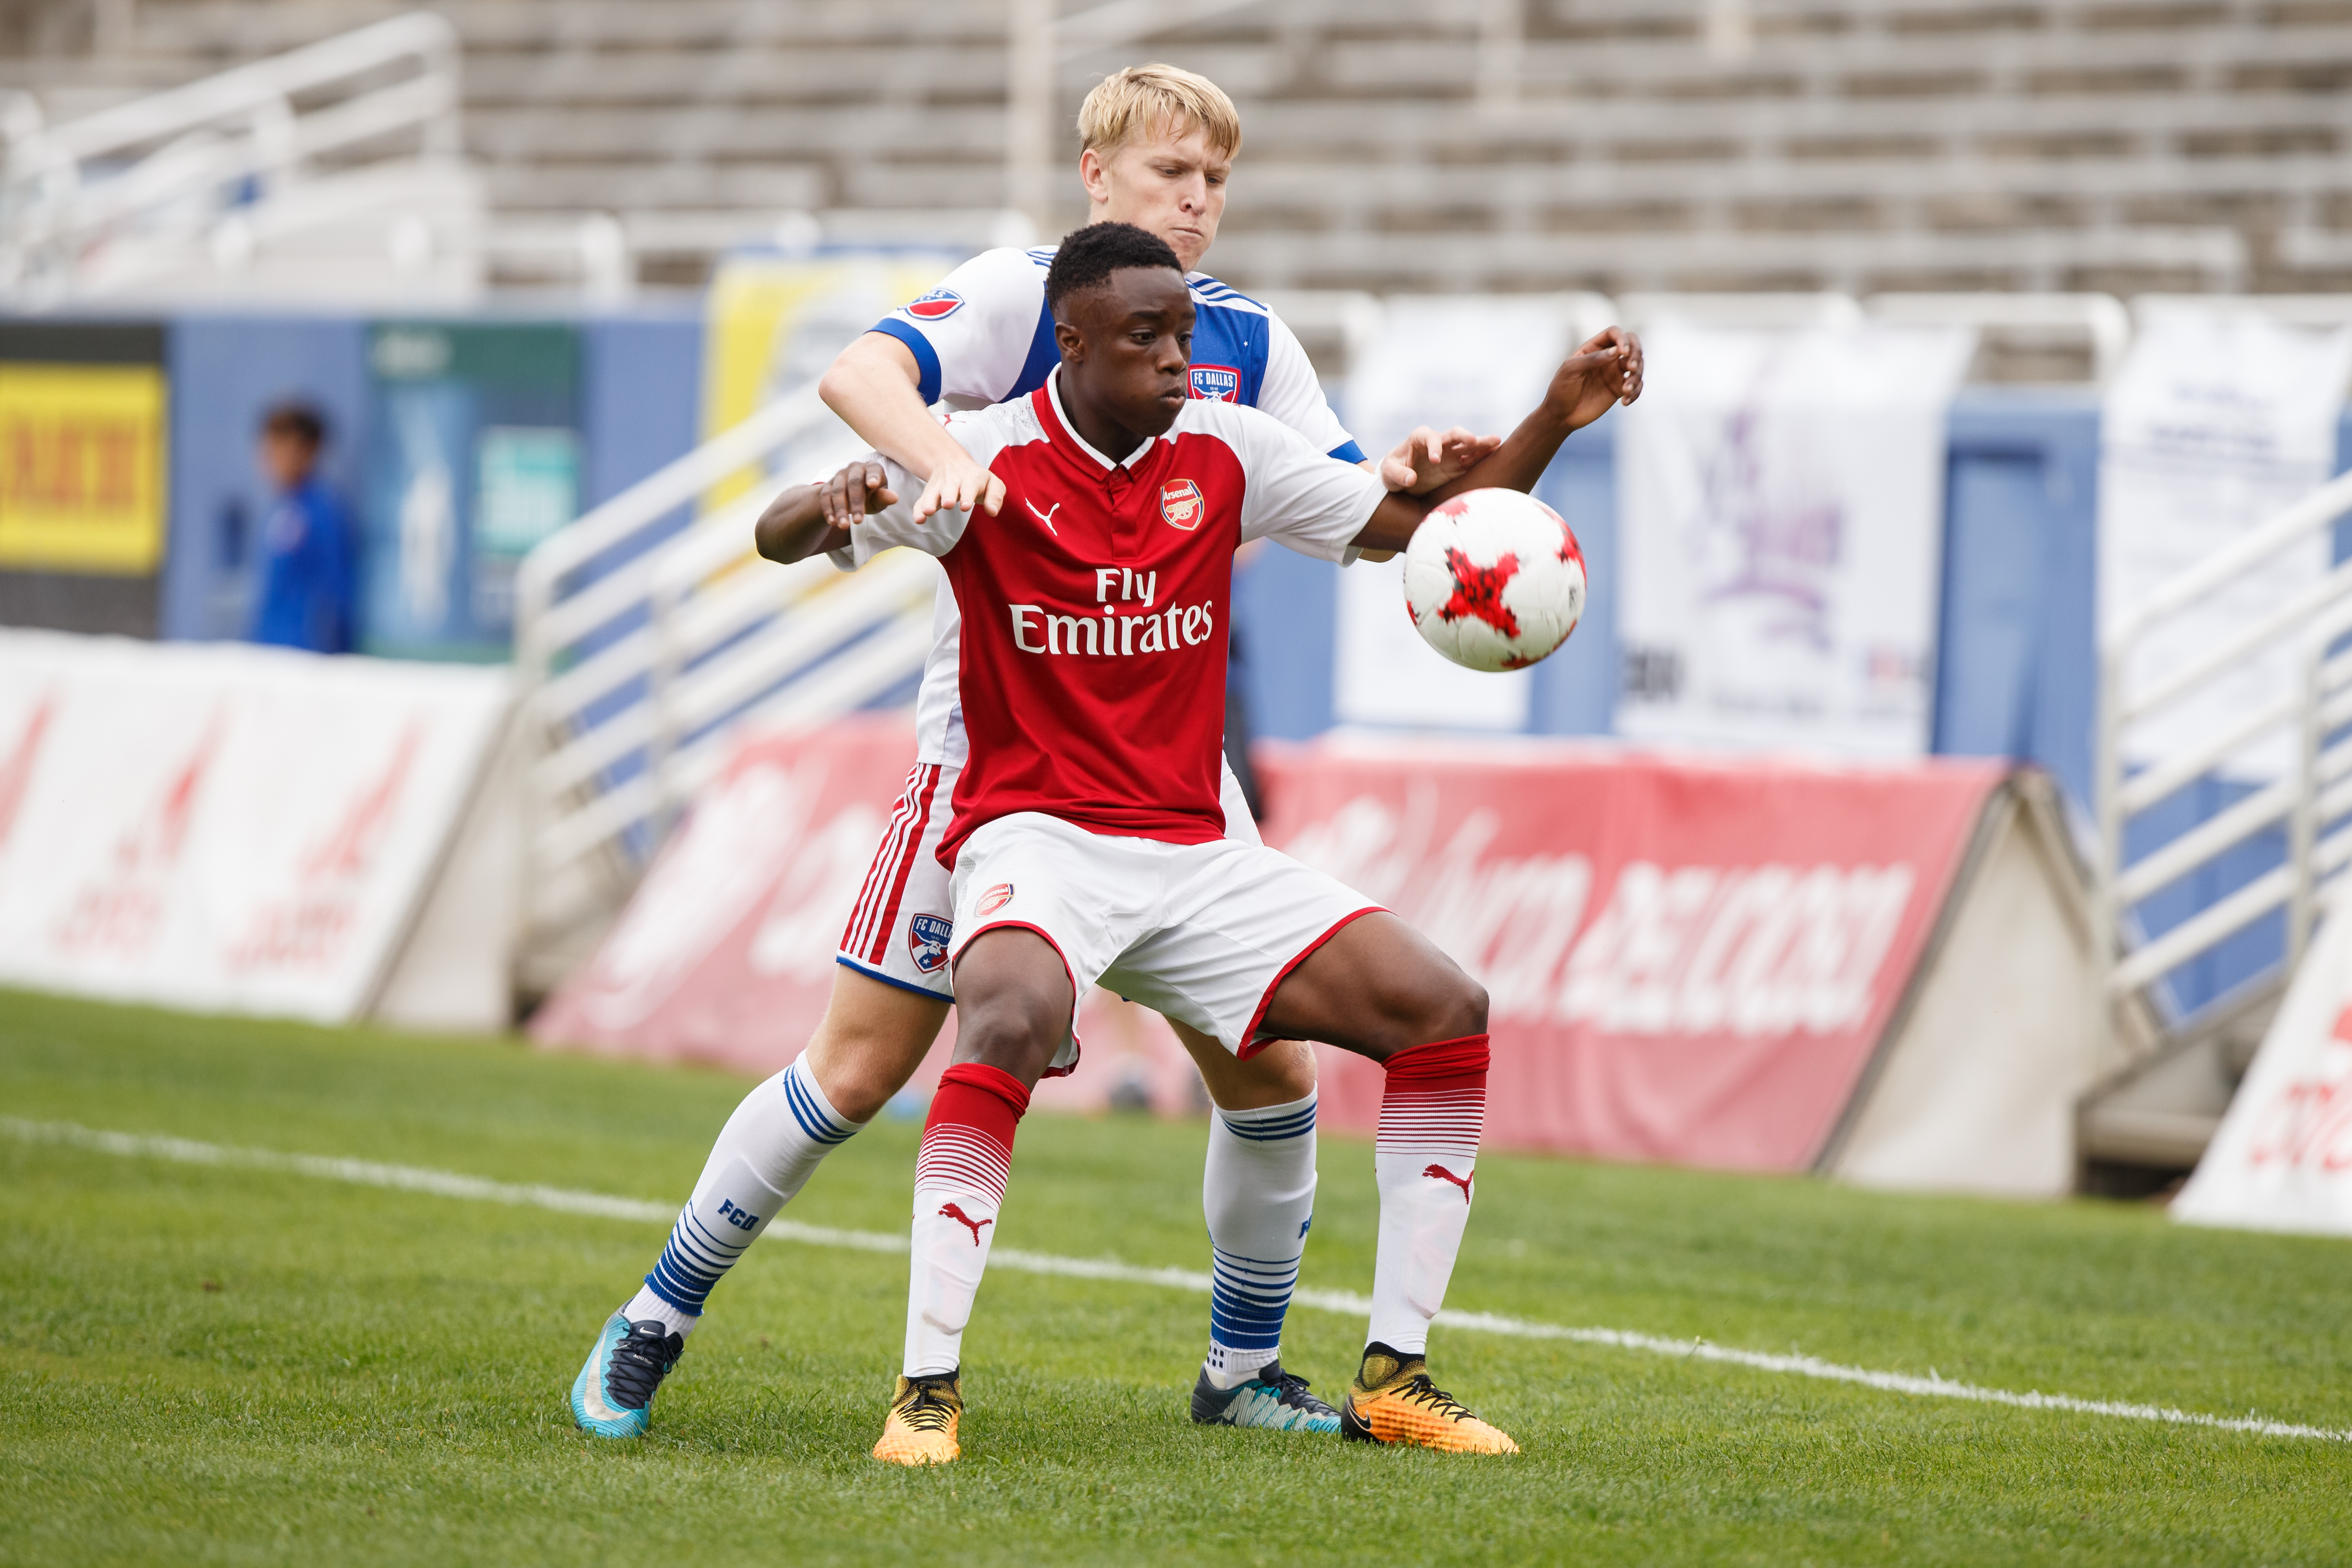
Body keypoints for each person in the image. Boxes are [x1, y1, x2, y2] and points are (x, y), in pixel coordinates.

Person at [567, 63, 1533, 1443]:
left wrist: (1428, 470)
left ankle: (1241, 1368)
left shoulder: (1241, 341)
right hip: (995, 766)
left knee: (1270, 1075)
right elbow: (863, 380)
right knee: (853, 1069)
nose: (1195, 204)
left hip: (1168, 777)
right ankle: (659, 1311)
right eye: (1166, 177)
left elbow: (1352, 497)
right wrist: (929, 469)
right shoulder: (1027, 298)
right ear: (1095, 177)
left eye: (1212, 182)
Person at [759, 223, 1641, 1463]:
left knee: (1445, 1004)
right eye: (1148, 336)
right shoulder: (980, 459)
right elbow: (779, 537)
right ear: (1069, 340)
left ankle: (1395, 1374)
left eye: (1185, 332)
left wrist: (1553, 414)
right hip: (1037, 837)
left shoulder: (1230, 451)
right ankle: (925, 1391)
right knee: (1004, 1017)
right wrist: (829, 495)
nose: (1182, 358)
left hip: (1194, 851)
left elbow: (1423, 525)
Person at [248, 402, 356, 654]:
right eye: (270, 446)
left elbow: (339, 593)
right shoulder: (279, 509)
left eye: (283, 446)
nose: (273, 457)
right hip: (268, 653)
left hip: (305, 660)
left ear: (310, 450)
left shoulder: (324, 512)